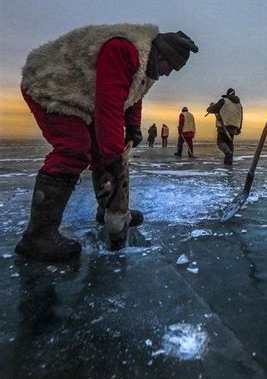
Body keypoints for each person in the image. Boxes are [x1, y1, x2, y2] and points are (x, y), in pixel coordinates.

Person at [15, 25, 198, 261]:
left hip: (85, 96)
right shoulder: (123, 50)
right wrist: (114, 157)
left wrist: (132, 127)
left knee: (103, 151)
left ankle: (111, 210)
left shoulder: (147, 65)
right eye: (171, 67)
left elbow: (133, 96)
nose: (169, 73)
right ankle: (38, 237)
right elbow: (108, 105)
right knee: (75, 149)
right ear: (162, 55)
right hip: (53, 86)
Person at [206, 88, 243, 165]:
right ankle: (228, 162)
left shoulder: (223, 100)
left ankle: (228, 153)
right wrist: (239, 128)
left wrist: (210, 108)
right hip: (234, 127)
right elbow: (241, 116)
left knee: (220, 142)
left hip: (224, 126)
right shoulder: (239, 104)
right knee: (229, 143)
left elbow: (214, 109)